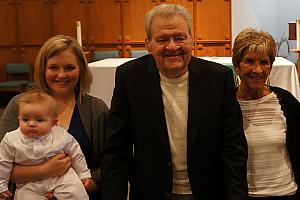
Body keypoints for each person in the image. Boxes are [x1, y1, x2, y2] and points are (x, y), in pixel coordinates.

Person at [100, 4, 248, 200]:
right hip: (152, 193)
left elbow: (233, 147)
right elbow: (117, 149)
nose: (172, 46)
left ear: (191, 39)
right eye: (162, 39)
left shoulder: (218, 79)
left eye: (179, 37)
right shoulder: (129, 78)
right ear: (148, 44)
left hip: (208, 192)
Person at [0, 35, 108, 199]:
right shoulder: (19, 104)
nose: (61, 74)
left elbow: (112, 162)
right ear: (43, 69)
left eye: (69, 67)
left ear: (81, 69)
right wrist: (45, 170)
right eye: (53, 67)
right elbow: (3, 160)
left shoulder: (96, 109)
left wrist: (84, 186)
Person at [232, 28, 300, 200]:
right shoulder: (227, 105)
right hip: (245, 195)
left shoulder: (286, 101)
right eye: (249, 61)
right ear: (237, 66)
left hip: (286, 192)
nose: (258, 69)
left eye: (264, 62)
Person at [0, 90, 91, 199]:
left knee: (76, 192)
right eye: (25, 119)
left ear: (53, 122)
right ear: (18, 119)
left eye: (39, 120)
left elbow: (75, 152)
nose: (31, 124)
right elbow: (3, 162)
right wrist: (2, 185)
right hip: (29, 183)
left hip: (62, 177)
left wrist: (83, 174)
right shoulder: (11, 139)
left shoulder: (60, 134)